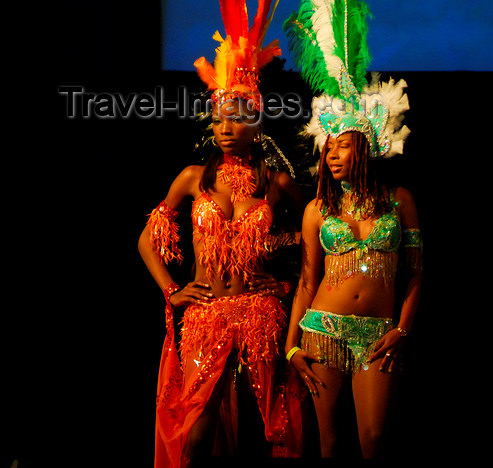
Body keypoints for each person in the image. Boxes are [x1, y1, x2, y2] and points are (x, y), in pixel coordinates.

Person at [138, 1, 306, 466]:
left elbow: (317, 235)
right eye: (218, 118)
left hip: (261, 314)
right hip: (206, 314)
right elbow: (146, 239)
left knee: (266, 430)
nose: (226, 128)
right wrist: (172, 289)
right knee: (197, 431)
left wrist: (287, 284)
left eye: (236, 118)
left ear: (257, 121)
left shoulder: (277, 182)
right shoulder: (193, 177)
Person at [282, 0, 423, 458]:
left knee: (375, 440)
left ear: (364, 148)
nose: (334, 156)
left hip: (380, 331)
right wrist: (290, 347)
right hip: (322, 328)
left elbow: (417, 274)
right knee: (328, 443)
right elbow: (306, 282)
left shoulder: (399, 201)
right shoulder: (318, 210)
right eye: (329, 150)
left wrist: (403, 329)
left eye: (344, 147)